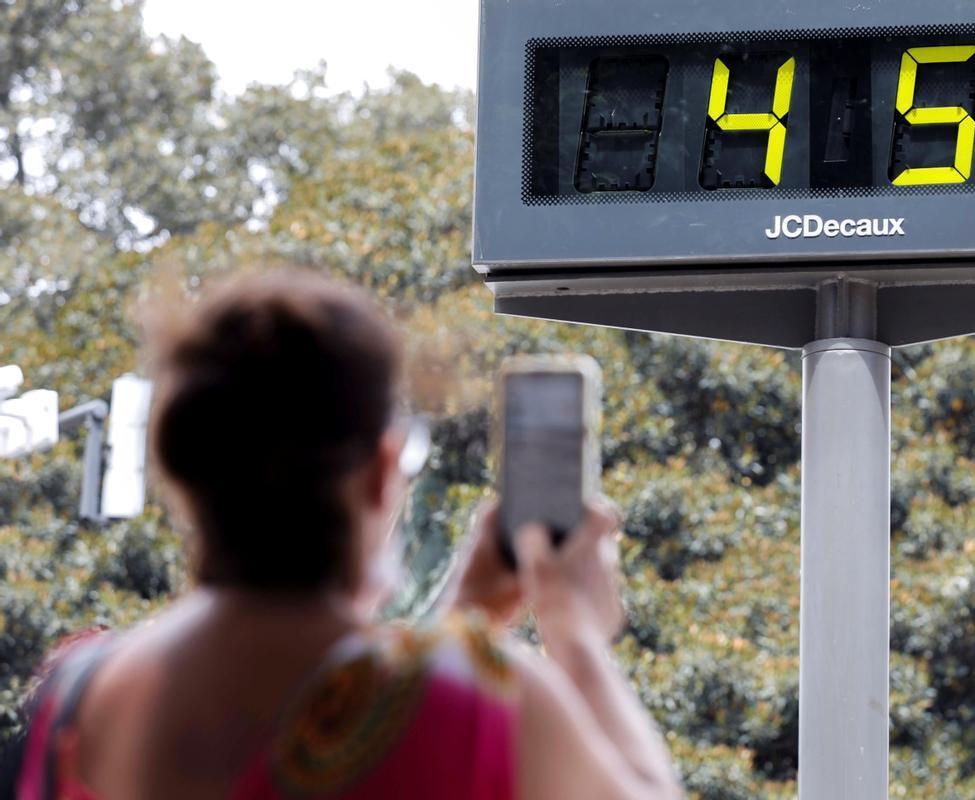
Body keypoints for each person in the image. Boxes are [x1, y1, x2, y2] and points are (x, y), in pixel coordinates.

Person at [12, 271, 683, 800]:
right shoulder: (483, 696)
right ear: (382, 471)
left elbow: (354, 729)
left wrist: (467, 618)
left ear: (180, 469)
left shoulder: (77, 693)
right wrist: (575, 633)